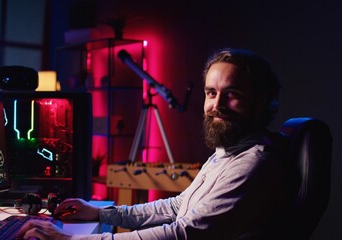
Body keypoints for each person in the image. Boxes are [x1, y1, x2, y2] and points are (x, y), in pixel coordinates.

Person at [16, 48, 290, 240]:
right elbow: (178, 207)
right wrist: (100, 212)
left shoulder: (254, 162)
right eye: (211, 93)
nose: (216, 105)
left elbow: (184, 233)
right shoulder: (228, 153)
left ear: (262, 101)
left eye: (232, 94)